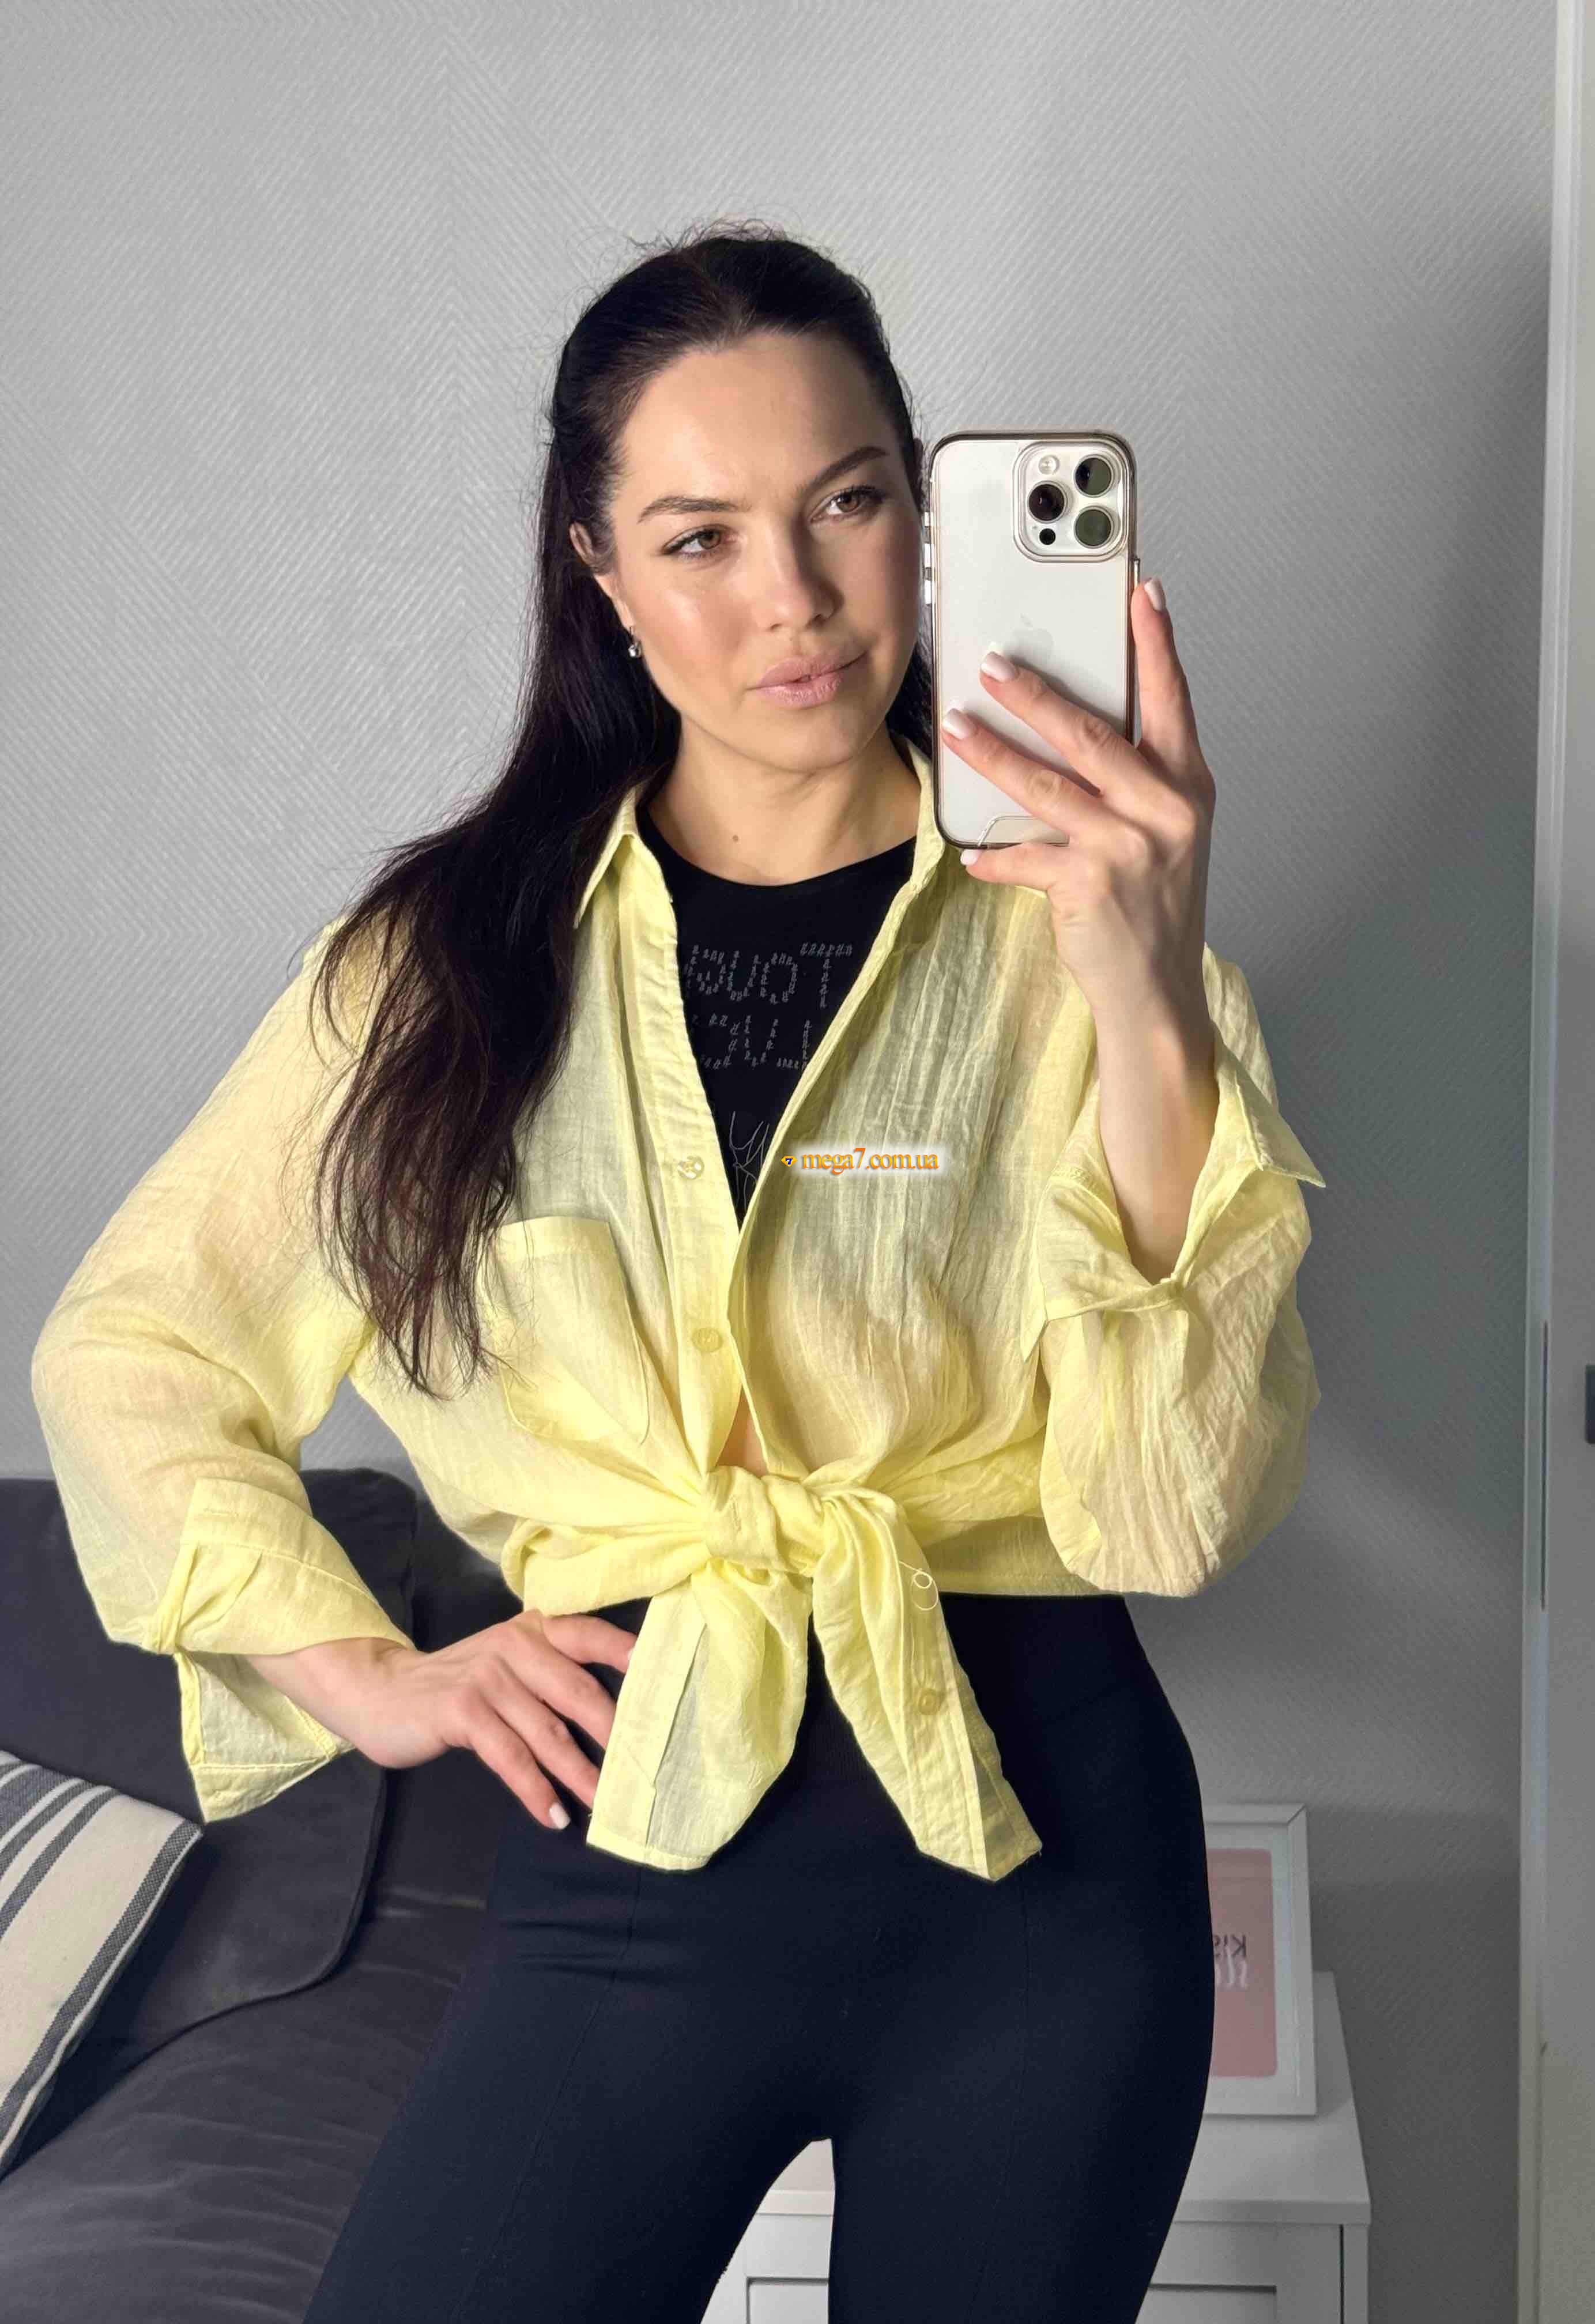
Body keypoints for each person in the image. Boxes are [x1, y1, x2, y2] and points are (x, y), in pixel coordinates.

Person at [32, 222, 1325, 2323]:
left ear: (923, 518)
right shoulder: (440, 969)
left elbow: (1161, 1522)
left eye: (848, 504)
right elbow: (137, 1349)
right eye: (700, 537)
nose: (793, 598)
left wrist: (1148, 988)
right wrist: (373, 1673)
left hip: (1048, 1886)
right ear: (602, 578)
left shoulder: (1102, 948)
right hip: (631, 1870)